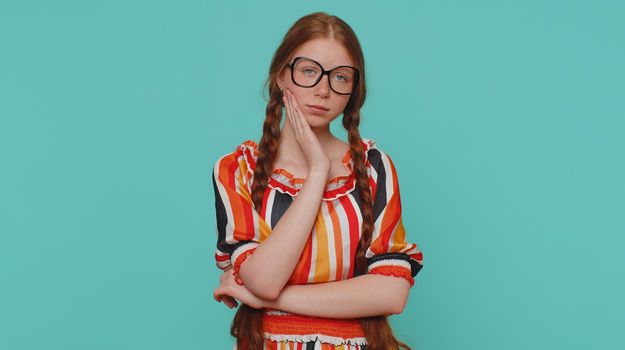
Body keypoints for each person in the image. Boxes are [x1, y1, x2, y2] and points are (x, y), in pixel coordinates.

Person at [211, 12, 424, 350]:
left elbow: (391, 294)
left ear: (353, 89)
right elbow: (264, 280)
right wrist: (318, 172)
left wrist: (271, 300)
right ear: (282, 76)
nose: (323, 90)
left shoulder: (373, 168)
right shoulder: (239, 169)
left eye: (340, 77)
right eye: (309, 71)